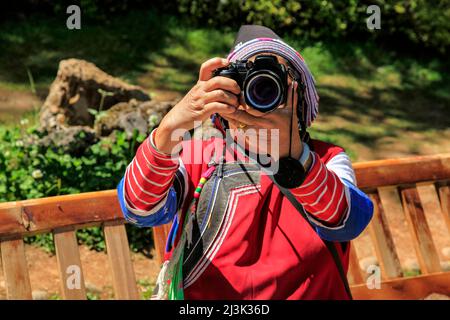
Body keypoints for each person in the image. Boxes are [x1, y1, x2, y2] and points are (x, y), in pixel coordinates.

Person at [117, 25, 373, 300]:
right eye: (247, 84)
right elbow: (140, 209)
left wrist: (295, 157)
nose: (260, 96)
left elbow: (348, 221)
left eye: (273, 85)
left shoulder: (326, 159)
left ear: (299, 100)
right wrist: (167, 131)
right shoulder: (198, 157)